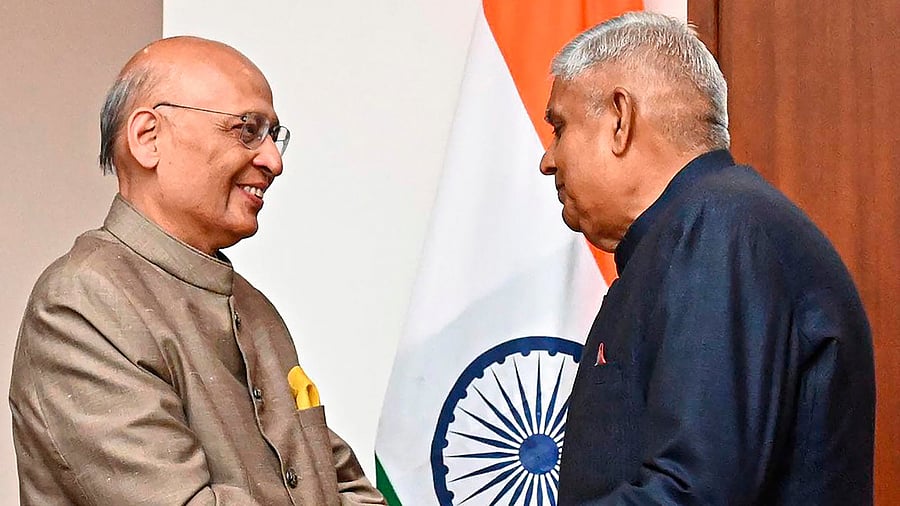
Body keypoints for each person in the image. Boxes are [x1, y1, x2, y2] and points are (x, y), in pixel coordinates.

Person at [10, 36, 385, 505]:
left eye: (273, 135)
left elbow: (345, 487)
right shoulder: (83, 301)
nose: (274, 161)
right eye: (247, 130)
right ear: (149, 138)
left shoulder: (254, 310)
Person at [540, 12, 875, 505]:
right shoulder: (700, 232)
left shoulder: (718, 226)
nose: (548, 159)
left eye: (559, 127)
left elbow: (696, 492)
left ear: (619, 118)